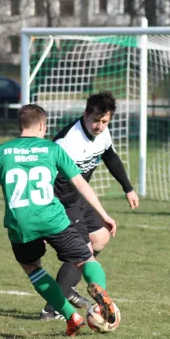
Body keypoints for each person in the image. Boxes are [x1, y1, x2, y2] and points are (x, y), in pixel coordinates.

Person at [0, 104, 120, 336]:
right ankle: (101, 294)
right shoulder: (51, 149)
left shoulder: (0, 151)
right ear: (43, 126)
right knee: (85, 259)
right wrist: (104, 214)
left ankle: (70, 316)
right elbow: (80, 183)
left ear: (20, 125)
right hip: (53, 218)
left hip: (21, 224)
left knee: (32, 267)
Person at [40, 91, 139, 320]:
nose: (99, 126)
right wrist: (45, 216)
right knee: (81, 251)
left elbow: (110, 156)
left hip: (79, 197)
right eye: (95, 120)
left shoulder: (102, 133)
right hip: (60, 199)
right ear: (85, 114)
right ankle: (52, 308)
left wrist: (128, 188)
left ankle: (68, 288)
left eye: (105, 121)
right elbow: (45, 180)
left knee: (101, 238)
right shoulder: (67, 142)